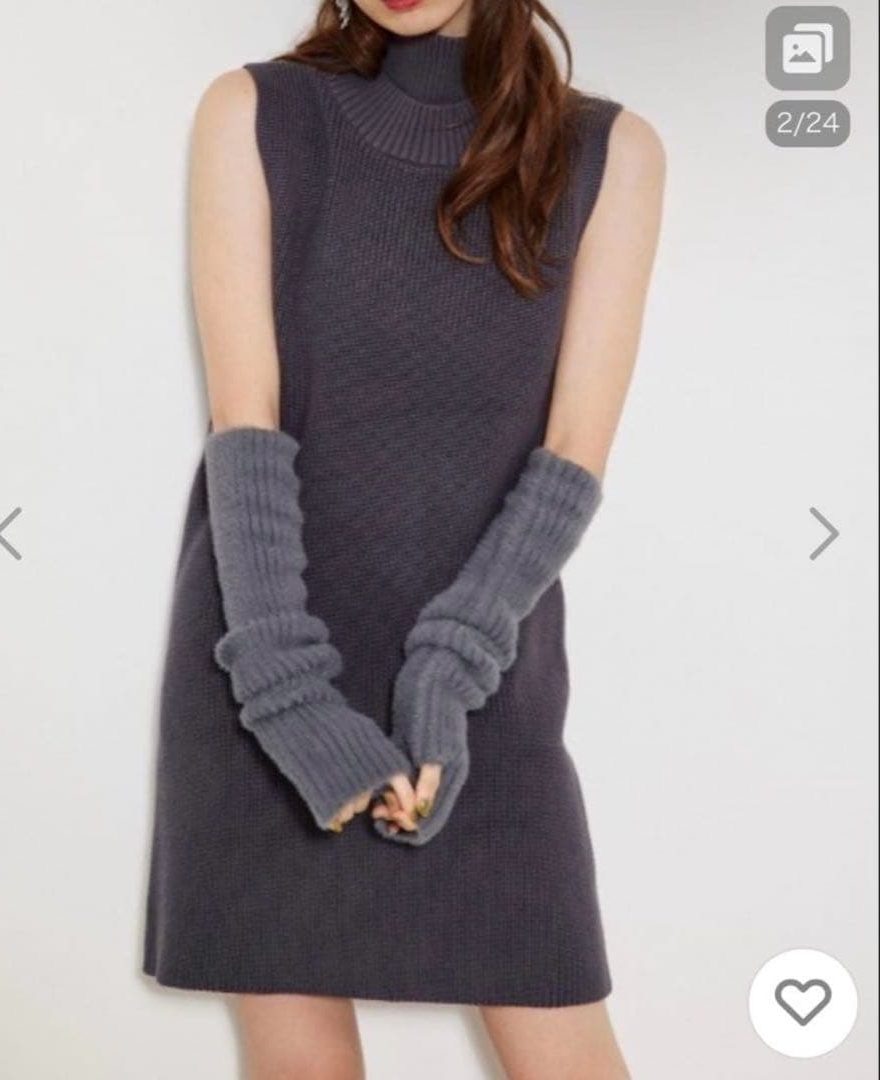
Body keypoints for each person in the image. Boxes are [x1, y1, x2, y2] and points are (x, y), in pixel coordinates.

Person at [142, 1, 665, 1076]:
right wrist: (288, 696)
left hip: (483, 661)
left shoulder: (608, 151)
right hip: (266, 654)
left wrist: (446, 668)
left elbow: (572, 453)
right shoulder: (257, 113)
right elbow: (245, 421)